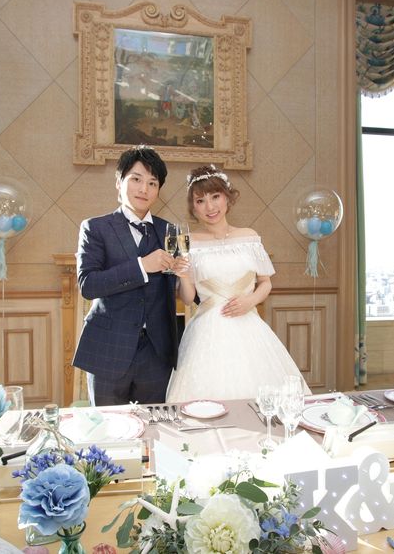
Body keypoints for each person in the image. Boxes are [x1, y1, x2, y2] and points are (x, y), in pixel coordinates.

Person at [166, 165, 311, 401]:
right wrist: (182, 273)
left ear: (227, 197)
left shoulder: (249, 237)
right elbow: (188, 298)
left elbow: (265, 282)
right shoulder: (189, 242)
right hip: (207, 333)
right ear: (193, 207)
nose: (210, 207)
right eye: (200, 201)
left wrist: (250, 300)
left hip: (249, 325)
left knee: (262, 396)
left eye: (215, 196)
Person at [72, 145, 179, 406]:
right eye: (136, 179)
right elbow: (88, 285)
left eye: (152, 183)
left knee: (154, 426)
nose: (144, 189)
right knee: (107, 426)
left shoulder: (170, 231)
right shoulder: (95, 228)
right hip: (108, 350)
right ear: (119, 183)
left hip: (156, 354)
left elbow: (177, 289)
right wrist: (142, 266)